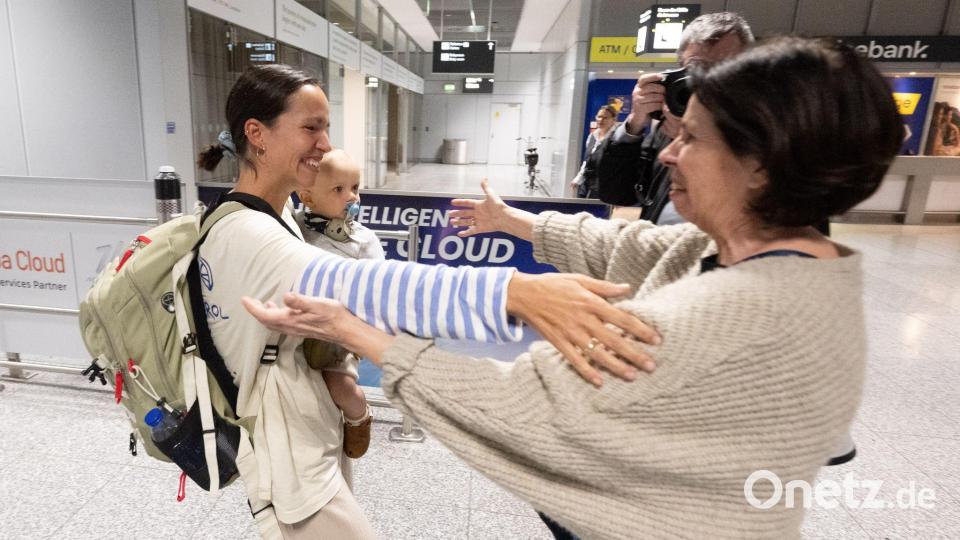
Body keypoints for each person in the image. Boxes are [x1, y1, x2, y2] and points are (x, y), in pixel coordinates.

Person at [242, 37, 903, 539]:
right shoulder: (768, 253)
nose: (668, 152)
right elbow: (628, 249)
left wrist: (356, 331)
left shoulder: (732, 312)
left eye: (692, 138)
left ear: (761, 164)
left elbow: (521, 408)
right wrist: (512, 222)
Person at [195, 64, 659, 539]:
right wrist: (512, 292)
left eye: (326, 127)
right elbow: (364, 285)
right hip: (284, 446)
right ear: (258, 134)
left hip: (309, 424)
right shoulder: (247, 231)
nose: (325, 144)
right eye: (311, 128)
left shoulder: (279, 216)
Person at [598, 12, 753, 224]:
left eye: (724, 70)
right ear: (680, 72)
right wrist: (634, 124)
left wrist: (696, 139)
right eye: (696, 71)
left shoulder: (769, 136)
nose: (708, 84)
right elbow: (617, 193)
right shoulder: (668, 125)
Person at [295, 149, 381, 460]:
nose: (351, 197)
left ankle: (359, 415)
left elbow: (376, 287)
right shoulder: (294, 227)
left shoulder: (363, 240)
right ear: (307, 197)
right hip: (298, 329)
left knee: (339, 386)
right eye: (339, 189)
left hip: (337, 335)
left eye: (355, 187)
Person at [570, 105, 619, 198]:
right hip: (587, 183)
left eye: (605, 118)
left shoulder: (616, 138)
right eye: (599, 117)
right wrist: (578, 178)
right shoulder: (592, 136)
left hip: (605, 186)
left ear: (614, 120)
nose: (601, 120)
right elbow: (587, 161)